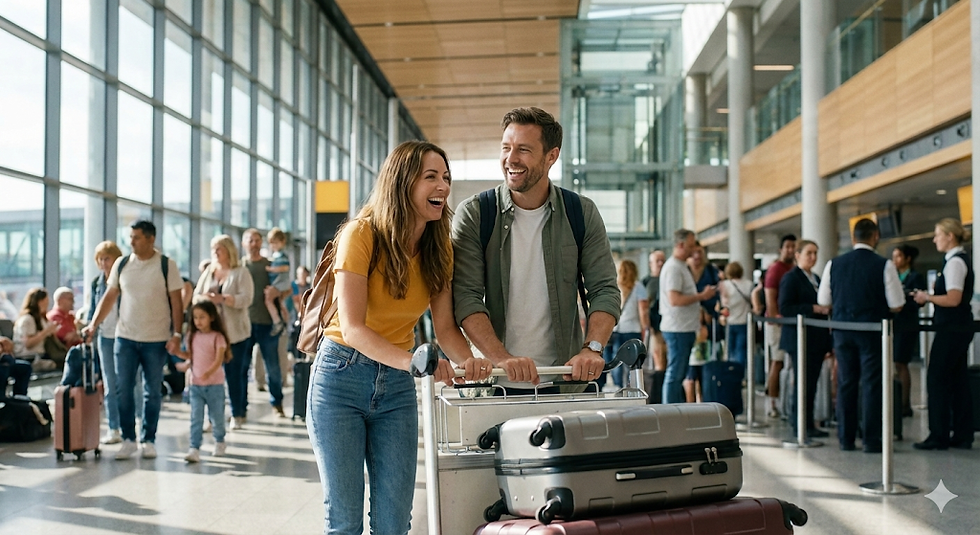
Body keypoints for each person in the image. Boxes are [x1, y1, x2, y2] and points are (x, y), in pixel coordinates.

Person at [307, 140, 488, 535]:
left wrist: (470, 362)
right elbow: (353, 327)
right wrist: (414, 363)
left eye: (446, 177)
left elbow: (445, 330)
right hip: (341, 376)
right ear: (402, 182)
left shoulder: (439, 249)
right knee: (345, 522)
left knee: (394, 524)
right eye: (431, 177)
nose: (442, 185)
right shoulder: (361, 234)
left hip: (397, 388)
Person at [451, 107, 617, 393]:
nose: (511, 159)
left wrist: (592, 348)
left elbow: (604, 289)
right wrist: (503, 359)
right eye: (506, 148)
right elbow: (466, 296)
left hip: (564, 380)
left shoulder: (580, 213)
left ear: (551, 156)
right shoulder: (476, 214)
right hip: (493, 384)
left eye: (524, 150)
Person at [82, 220, 185, 461]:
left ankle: (148, 439)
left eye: (136, 237)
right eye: (131, 237)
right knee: (122, 389)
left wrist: (177, 334)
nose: (131, 242)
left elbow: (176, 302)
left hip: (156, 339)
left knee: (152, 391)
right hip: (125, 338)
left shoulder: (165, 265)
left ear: (151, 239)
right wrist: (93, 324)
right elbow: (109, 297)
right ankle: (128, 438)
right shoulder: (122, 264)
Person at [817, 219, 904, 453]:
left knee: (846, 383)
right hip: (871, 332)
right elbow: (897, 304)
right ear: (875, 236)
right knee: (872, 384)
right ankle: (871, 440)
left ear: (854, 238)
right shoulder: (884, 265)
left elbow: (823, 301)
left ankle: (846, 439)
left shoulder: (833, 264)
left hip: (843, 332)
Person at [912, 218, 974, 450]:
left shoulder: (955, 263)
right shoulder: (955, 261)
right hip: (957, 327)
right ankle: (961, 433)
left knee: (937, 377)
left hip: (952, 328)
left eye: (938, 234)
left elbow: (953, 298)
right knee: (957, 380)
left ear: (950, 236)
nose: (934, 238)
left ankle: (939, 434)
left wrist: (927, 297)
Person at [193, 235, 254, 430]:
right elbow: (196, 296)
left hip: (236, 333)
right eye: (213, 249)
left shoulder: (241, 272)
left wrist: (223, 299)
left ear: (229, 251)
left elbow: (246, 299)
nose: (215, 253)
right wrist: (206, 299)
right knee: (211, 376)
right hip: (211, 334)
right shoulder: (209, 272)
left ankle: (237, 413)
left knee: (234, 375)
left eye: (219, 249)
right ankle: (212, 417)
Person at [778, 240, 832, 439]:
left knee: (812, 383)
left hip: (816, 338)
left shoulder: (815, 277)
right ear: (798, 255)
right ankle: (799, 423)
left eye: (815, 253)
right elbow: (785, 308)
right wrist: (813, 308)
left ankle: (809, 422)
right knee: (803, 382)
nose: (813, 257)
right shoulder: (791, 278)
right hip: (800, 339)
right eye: (809, 253)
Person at [659, 229, 717, 403]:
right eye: (691, 245)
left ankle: (672, 410)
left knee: (679, 374)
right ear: (681, 245)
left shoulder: (681, 266)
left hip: (683, 327)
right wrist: (702, 296)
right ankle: (668, 413)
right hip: (678, 328)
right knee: (675, 374)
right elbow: (674, 299)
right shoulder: (674, 268)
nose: (694, 249)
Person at [172, 301, 229, 462]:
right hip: (196, 386)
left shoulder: (218, 337)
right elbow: (191, 356)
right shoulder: (192, 336)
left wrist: (208, 372)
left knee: (217, 417)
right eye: (195, 317)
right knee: (195, 418)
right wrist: (178, 354)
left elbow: (219, 359)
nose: (198, 321)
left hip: (215, 385)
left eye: (202, 317)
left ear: (211, 317)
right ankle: (194, 447)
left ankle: (219, 441)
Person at [241, 228, 287, 417]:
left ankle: (277, 404)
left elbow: (286, 288)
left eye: (258, 240)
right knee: (242, 367)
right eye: (250, 240)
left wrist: (279, 294)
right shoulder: (240, 266)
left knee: (273, 367)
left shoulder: (271, 264)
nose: (254, 243)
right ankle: (240, 407)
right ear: (244, 244)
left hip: (268, 324)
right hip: (245, 325)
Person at [88, 241, 126, 444]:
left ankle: (133, 422)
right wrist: (90, 327)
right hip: (105, 337)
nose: (104, 263)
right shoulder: (97, 283)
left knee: (128, 383)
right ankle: (114, 428)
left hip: (126, 335)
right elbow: (94, 309)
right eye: (100, 259)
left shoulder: (125, 280)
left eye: (107, 258)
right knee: (110, 384)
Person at [600, 259, 647, 390]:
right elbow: (643, 311)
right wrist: (645, 328)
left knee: (617, 360)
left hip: (615, 329)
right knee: (633, 363)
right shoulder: (638, 287)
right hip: (632, 329)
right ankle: (631, 387)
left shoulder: (615, 286)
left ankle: (619, 386)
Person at [764, 234, 797, 418]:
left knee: (786, 362)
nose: (791, 250)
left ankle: (783, 400)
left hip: (788, 323)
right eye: (788, 247)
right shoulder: (776, 269)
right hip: (777, 323)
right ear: (781, 249)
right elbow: (770, 295)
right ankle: (772, 401)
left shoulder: (792, 268)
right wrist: (775, 318)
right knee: (777, 361)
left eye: (793, 246)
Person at [891, 244, 926, 417]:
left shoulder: (915, 277)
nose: (894, 260)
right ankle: (896, 402)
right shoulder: (893, 276)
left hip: (907, 325)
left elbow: (917, 302)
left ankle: (905, 404)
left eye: (898, 256)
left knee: (901, 362)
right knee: (895, 363)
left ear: (907, 259)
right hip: (894, 325)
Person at [13, 288, 60, 372]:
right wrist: (46, 331)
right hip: (29, 357)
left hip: (41, 354)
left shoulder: (41, 319)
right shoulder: (28, 319)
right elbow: (28, 344)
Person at [718, 261, 754, 368]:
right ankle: (740, 374)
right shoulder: (749, 284)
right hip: (744, 321)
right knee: (741, 350)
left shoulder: (724, 285)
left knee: (729, 350)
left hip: (729, 321)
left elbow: (722, 304)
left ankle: (729, 373)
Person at [642, 250, 667, 371]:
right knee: (659, 361)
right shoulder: (645, 283)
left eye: (663, 260)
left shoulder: (670, 279)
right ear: (650, 264)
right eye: (657, 261)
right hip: (655, 327)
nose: (661, 263)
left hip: (670, 324)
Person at [265, 227, 291, 336]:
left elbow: (285, 267)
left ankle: (278, 322)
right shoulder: (275, 256)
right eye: (272, 243)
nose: (273, 246)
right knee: (279, 303)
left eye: (276, 243)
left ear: (282, 242)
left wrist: (271, 269)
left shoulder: (282, 256)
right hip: (278, 283)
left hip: (280, 284)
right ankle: (284, 323)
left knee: (268, 299)